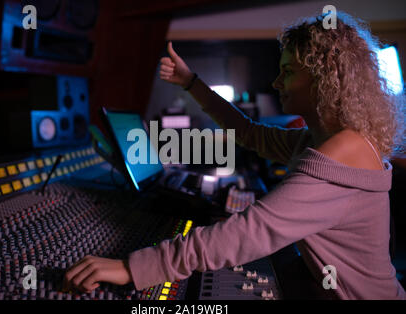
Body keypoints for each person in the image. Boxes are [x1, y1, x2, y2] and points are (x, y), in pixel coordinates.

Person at [63, 12, 405, 299]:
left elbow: (249, 233)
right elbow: (249, 133)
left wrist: (131, 267)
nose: (275, 82)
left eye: (287, 72)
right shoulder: (324, 140)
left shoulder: (342, 153)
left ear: (323, 79)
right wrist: (191, 83)